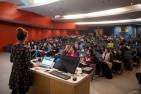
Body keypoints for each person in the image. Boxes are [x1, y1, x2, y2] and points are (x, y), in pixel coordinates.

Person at [9, 27, 37, 94]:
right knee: (22, 91)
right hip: (23, 74)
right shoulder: (26, 48)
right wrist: (34, 64)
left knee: (14, 90)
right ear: (25, 37)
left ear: (17, 37)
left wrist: (18, 61)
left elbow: (11, 60)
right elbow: (28, 64)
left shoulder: (14, 46)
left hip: (15, 72)